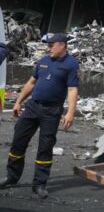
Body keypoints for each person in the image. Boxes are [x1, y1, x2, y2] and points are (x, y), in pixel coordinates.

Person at [1, 33, 79, 199]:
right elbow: (31, 82)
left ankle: (39, 184)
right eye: (48, 45)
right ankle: (11, 177)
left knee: (45, 147)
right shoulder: (43, 61)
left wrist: (70, 112)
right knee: (18, 142)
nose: (48, 48)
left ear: (62, 45)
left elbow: (72, 90)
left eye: (51, 45)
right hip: (32, 107)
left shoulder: (71, 64)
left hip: (51, 111)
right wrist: (18, 102)